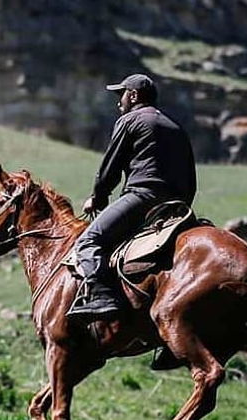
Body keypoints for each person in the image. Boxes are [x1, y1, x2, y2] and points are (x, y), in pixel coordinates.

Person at [66, 73, 197, 323]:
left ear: (134, 95)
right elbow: (190, 175)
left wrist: (98, 197)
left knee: (88, 241)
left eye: (121, 95)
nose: (119, 102)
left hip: (143, 197)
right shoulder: (175, 126)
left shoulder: (131, 120)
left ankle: (101, 298)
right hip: (176, 206)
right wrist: (182, 208)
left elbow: (110, 167)